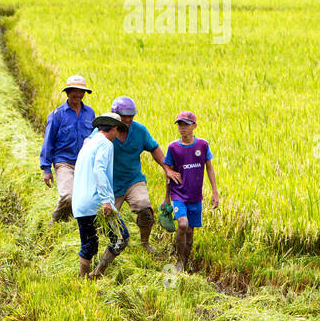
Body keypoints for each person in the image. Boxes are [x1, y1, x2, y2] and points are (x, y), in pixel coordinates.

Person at [109, 96, 181, 251]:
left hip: (133, 180)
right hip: (110, 183)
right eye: (124, 116)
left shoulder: (140, 131)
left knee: (145, 210)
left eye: (131, 116)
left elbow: (154, 148)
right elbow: (89, 146)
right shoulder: (105, 130)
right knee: (107, 217)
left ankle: (144, 242)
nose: (128, 119)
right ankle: (112, 243)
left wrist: (167, 168)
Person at [72, 112, 130, 278]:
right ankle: (97, 274)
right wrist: (106, 201)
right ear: (113, 129)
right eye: (119, 131)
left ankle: (83, 280)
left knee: (89, 244)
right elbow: (99, 170)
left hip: (81, 203)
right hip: (96, 203)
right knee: (121, 238)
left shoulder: (89, 143)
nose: (118, 135)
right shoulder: (105, 144)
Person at [162, 111, 219, 273]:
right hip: (178, 194)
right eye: (180, 124)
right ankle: (179, 261)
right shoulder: (173, 148)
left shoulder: (202, 145)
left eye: (186, 124)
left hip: (195, 195)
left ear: (194, 126)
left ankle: (185, 261)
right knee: (183, 224)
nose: (182, 128)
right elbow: (169, 172)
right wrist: (166, 198)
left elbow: (209, 168)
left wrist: (215, 192)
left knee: (190, 232)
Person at [40, 74, 96, 222]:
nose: (78, 94)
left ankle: (74, 221)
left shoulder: (90, 113)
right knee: (69, 196)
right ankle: (56, 220)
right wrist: (46, 169)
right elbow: (48, 141)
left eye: (81, 91)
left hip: (84, 162)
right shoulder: (57, 114)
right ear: (67, 92)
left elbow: (94, 137)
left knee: (86, 199)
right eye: (74, 91)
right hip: (64, 161)